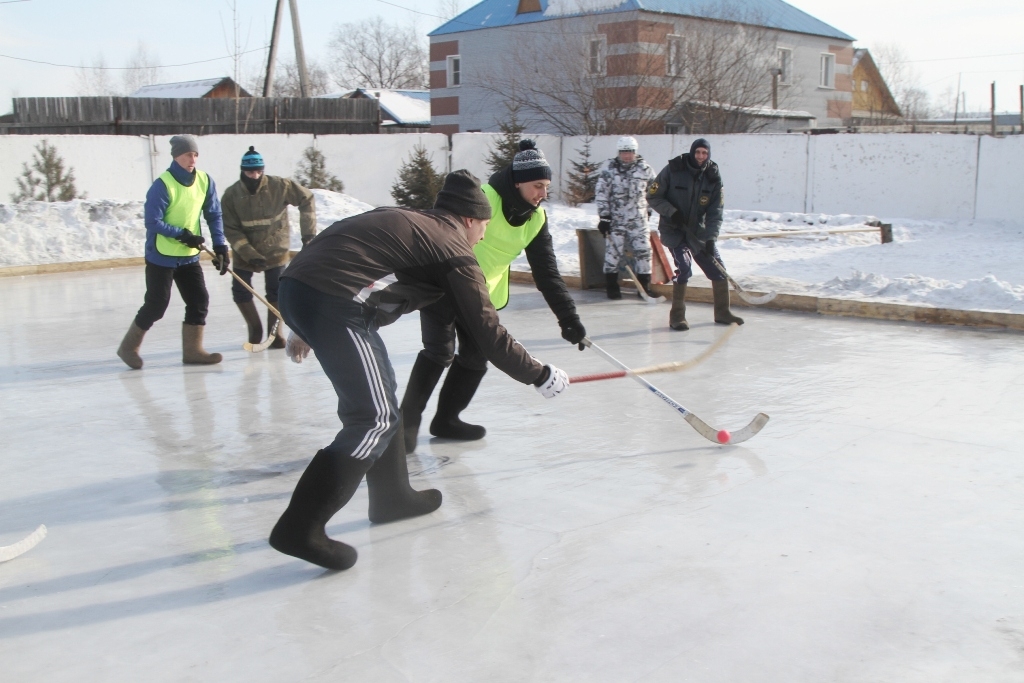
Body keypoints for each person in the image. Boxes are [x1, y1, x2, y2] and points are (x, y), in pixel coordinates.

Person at [269, 170, 569, 571]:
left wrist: (302, 319)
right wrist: (538, 374)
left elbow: (332, 248)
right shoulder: (452, 246)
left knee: (382, 399)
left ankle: (393, 497)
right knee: (372, 418)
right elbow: (486, 331)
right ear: (469, 220)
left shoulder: (410, 222)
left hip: (303, 289)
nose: (483, 235)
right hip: (334, 301)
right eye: (483, 225)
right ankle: (299, 528)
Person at [399, 140, 586, 453]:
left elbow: (547, 273)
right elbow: (441, 228)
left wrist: (569, 318)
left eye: (546, 186)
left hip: (481, 293)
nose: (543, 193)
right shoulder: (484, 197)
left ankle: (447, 419)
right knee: (439, 351)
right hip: (444, 280)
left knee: (475, 355)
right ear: (518, 182)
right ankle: (405, 426)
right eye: (537, 185)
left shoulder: (536, 219)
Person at [116, 135, 230, 369]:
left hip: (189, 256)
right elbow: (152, 221)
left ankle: (193, 351)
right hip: (162, 255)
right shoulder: (162, 185)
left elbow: (214, 215)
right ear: (176, 156)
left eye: (195, 154)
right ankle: (128, 347)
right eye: (188, 154)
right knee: (157, 304)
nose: (192, 159)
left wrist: (220, 246)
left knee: (199, 301)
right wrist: (183, 234)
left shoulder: (204, 181)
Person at [221, 146, 316, 348]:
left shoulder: (279, 186)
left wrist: (308, 234)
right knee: (240, 291)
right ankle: (255, 329)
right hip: (244, 252)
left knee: (276, 291)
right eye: (249, 172)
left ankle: (275, 334)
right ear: (242, 171)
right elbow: (231, 229)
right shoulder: (231, 195)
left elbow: (306, 198)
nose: (254, 176)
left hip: (275, 249)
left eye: (258, 171)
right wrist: (249, 253)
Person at [648, 138, 744, 330]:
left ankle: (723, 312)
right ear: (692, 152)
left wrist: (710, 238)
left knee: (717, 269)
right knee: (684, 267)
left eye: (704, 153)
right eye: (698, 152)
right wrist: (671, 212)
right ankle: (677, 317)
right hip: (673, 229)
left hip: (696, 231)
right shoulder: (674, 169)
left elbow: (716, 211)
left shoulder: (713, 176)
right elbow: (653, 196)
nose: (701, 156)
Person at [595, 136, 657, 300]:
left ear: (635, 152)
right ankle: (612, 287)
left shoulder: (645, 170)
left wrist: (649, 211)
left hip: (639, 220)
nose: (627, 156)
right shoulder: (609, 169)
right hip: (616, 220)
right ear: (619, 152)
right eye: (623, 152)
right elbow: (601, 194)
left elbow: (654, 193)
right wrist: (604, 217)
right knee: (613, 253)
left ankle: (644, 288)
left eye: (630, 152)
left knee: (644, 252)